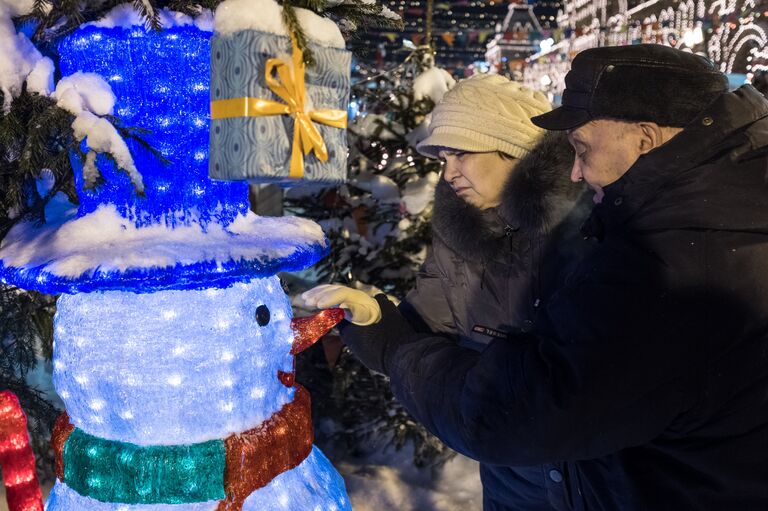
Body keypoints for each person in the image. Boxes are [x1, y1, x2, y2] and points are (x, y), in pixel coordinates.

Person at [305, 44, 768, 510]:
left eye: (461, 153)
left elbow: (530, 408)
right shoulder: (672, 220)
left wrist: (394, 347)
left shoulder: (648, 246)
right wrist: (382, 325)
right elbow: (437, 322)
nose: (574, 168)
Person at [305, 73, 592, 509]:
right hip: (511, 483)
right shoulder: (464, 235)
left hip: (594, 483)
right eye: (443, 157)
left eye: (460, 153)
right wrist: (375, 321)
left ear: (515, 152)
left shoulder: (589, 232)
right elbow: (427, 330)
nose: (448, 172)